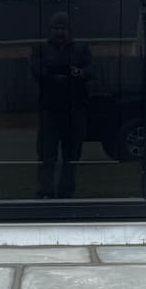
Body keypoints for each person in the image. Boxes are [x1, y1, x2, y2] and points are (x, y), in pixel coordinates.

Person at [32, 12, 92, 199]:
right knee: (46, 155)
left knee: (71, 156)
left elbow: (92, 69)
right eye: (56, 28)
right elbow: (35, 70)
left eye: (63, 28)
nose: (60, 32)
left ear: (69, 30)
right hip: (49, 111)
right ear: (50, 30)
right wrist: (53, 75)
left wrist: (79, 72)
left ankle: (67, 192)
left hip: (75, 110)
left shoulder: (81, 49)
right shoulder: (40, 49)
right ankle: (46, 191)